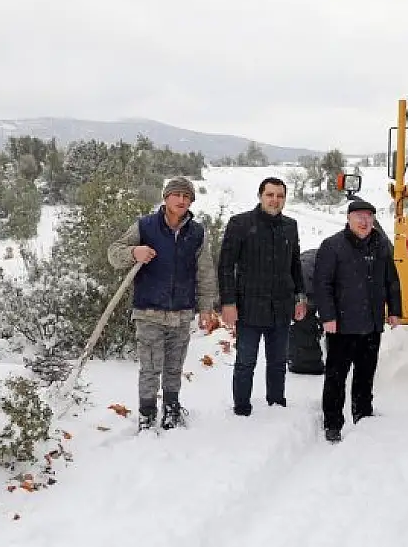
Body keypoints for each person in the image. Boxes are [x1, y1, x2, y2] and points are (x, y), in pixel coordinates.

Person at [107, 177, 217, 431]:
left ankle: (171, 411)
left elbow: (205, 272)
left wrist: (205, 308)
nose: (181, 200)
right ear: (166, 197)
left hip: (181, 313)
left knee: (174, 367)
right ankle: (146, 416)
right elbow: (114, 253)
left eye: (187, 196)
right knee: (150, 368)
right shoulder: (145, 226)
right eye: (176, 194)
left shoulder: (197, 232)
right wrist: (134, 253)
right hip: (149, 311)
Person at [314, 199, 402, 443]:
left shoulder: (381, 245)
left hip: (372, 324)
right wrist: (328, 317)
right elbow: (322, 285)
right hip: (341, 325)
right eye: (359, 217)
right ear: (349, 218)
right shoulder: (333, 246)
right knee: (336, 375)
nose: (364, 222)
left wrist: (394, 310)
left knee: (366, 373)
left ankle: (362, 413)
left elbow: (391, 281)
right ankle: (332, 422)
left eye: (368, 217)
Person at [219, 177, 307, 417]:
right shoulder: (240, 224)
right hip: (249, 306)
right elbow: (226, 266)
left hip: (281, 305)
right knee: (246, 361)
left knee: (278, 362)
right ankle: (241, 409)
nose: (275, 200)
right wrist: (228, 302)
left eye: (280, 196)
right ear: (260, 196)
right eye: (270, 195)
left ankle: (276, 405)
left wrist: (300, 297)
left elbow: (295, 264)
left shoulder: (290, 226)